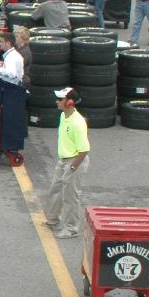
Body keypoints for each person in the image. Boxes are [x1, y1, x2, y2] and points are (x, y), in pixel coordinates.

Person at [44, 88, 91, 240]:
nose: (56, 101)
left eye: (60, 99)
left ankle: (71, 228)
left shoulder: (77, 123)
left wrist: (72, 167)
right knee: (55, 190)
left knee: (70, 196)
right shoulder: (63, 116)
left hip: (75, 161)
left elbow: (84, 150)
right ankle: (53, 220)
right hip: (64, 159)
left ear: (69, 102)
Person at [0, 32, 27, 155]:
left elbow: (12, 74)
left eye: (1, 42)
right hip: (11, 90)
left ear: (8, 43)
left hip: (11, 92)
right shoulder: (11, 56)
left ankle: (5, 144)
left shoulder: (13, 57)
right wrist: (1, 64)